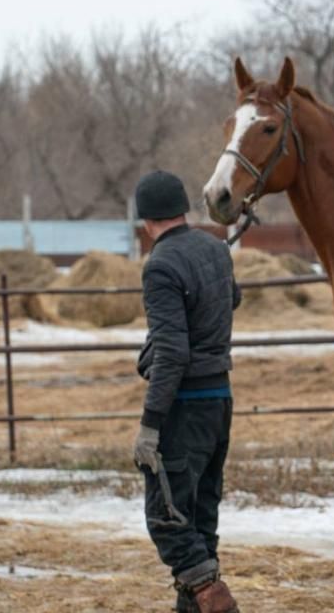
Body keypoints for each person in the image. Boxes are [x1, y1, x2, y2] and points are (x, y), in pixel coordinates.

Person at [133, 170, 242, 613]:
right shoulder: (216, 248)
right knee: (199, 519)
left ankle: (217, 602)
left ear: (145, 221)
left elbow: (174, 354)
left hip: (185, 407)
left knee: (168, 519)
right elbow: (231, 299)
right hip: (220, 401)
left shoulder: (160, 266)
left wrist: (150, 425)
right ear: (182, 209)